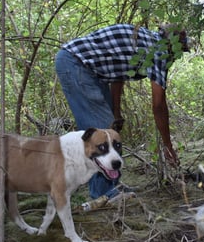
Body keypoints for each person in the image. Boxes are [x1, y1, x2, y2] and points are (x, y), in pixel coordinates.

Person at [55, 23, 189, 204]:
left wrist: (116, 113)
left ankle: (111, 186)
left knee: (108, 128)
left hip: (87, 68)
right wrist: (167, 146)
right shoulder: (159, 52)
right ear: (173, 45)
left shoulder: (144, 40)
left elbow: (119, 73)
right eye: (180, 51)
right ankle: (104, 194)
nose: (178, 57)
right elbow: (159, 105)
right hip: (77, 65)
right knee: (101, 135)